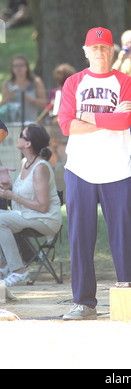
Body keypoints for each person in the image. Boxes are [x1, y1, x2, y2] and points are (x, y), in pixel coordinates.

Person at [58, 26, 131, 320]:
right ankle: (84, 302)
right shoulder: (73, 82)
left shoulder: (124, 81)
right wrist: (109, 118)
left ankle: (128, 292)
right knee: (80, 236)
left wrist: (85, 115)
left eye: (105, 48)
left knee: (124, 234)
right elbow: (67, 125)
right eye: (95, 48)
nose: (100, 52)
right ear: (86, 51)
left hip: (116, 168)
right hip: (80, 168)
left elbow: (125, 121)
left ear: (112, 51)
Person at [0, 123, 62, 287]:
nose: (18, 136)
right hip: (26, 215)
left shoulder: (40, 168)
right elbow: (25, 193)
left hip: (45, 219)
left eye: (22, 134)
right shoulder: (24, 163)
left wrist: (12, 195)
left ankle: (19, 271)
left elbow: (43, 206)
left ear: (28, 144)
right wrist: (9, 187)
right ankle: (3, 266)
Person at [1, 54, 47, 123]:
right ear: (12, 68)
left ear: (27, 67)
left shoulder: (36, 82)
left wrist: (31, 99)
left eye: (21, 65)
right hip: (11, 124)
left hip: (30, 123)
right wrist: (8, 97)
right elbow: (2, 106)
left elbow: (44, 103)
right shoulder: (7, 83)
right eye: (15, 66)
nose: (18, 68)